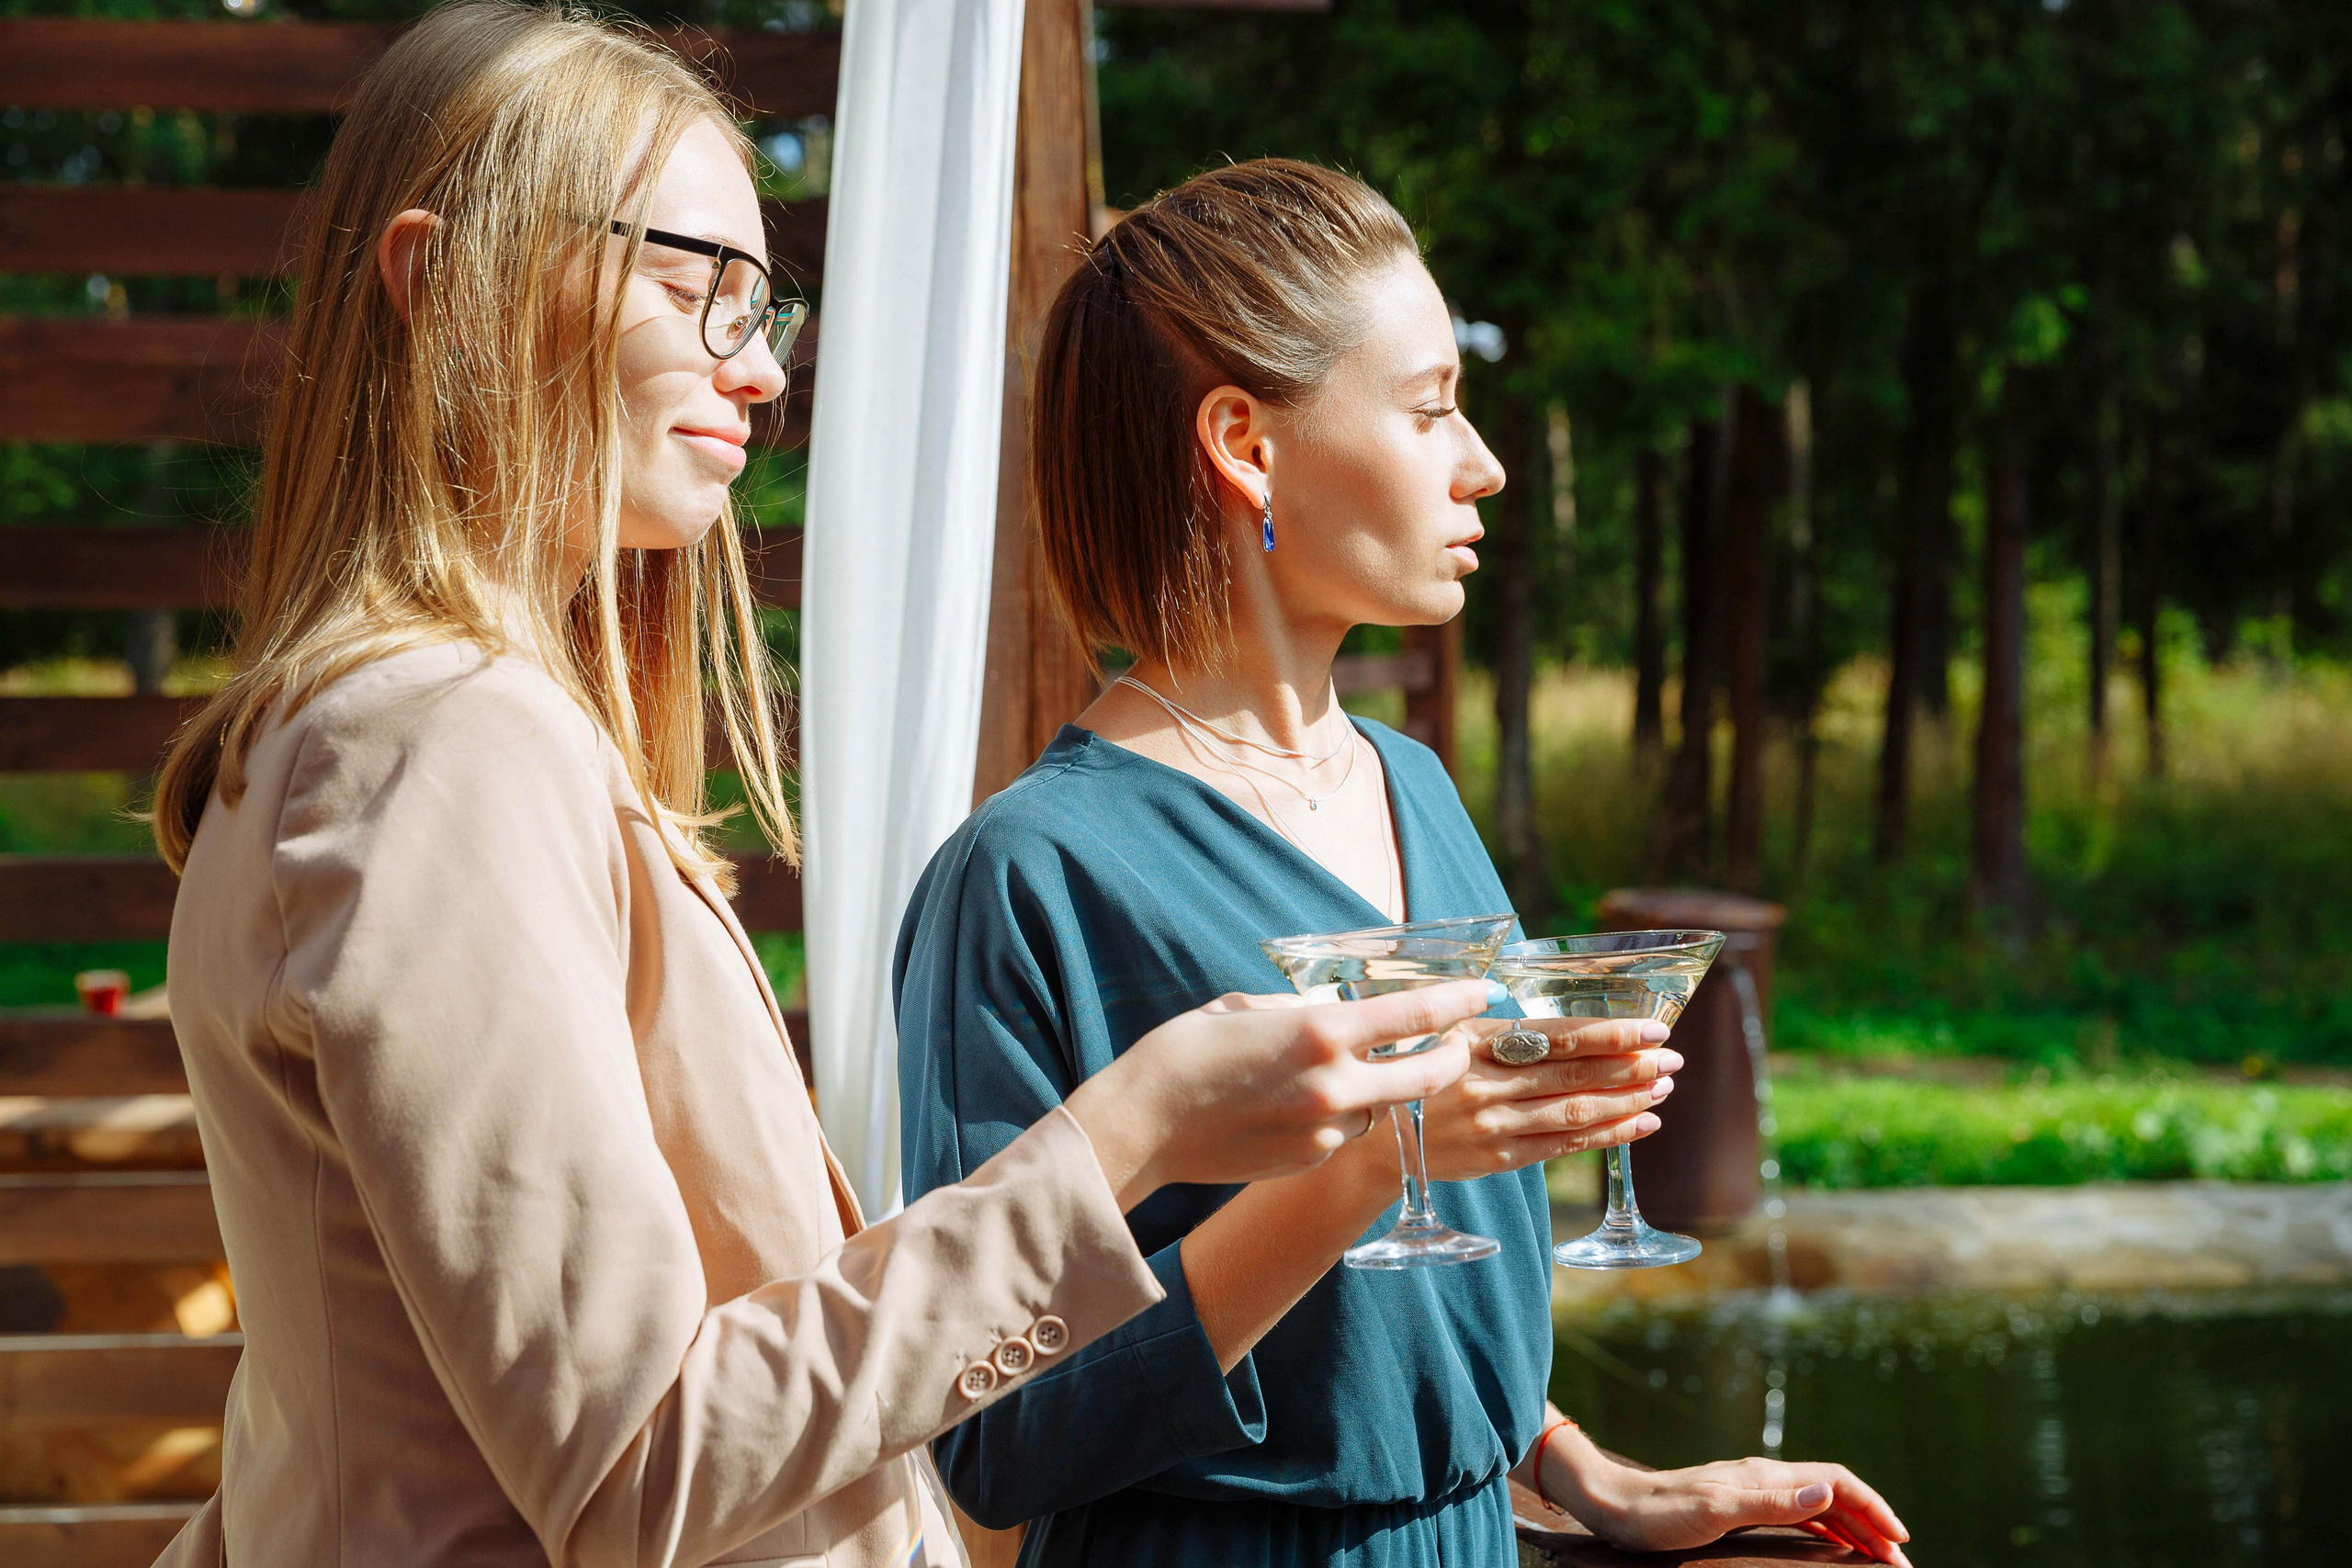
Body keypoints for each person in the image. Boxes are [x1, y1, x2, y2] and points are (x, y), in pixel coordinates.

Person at [145, 15, 1502, 1567]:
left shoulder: (411, 734)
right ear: (446, 279)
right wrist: (1131, 1128)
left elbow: (356, 1433)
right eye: (696, 286)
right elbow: (641, 1469)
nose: (766, 365)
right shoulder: (436, 746)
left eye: (762, 300)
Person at [894, 160, 1914, 1568]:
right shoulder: (1028, 877)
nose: (1482, 460)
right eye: (1430, 406)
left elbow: (1398, 1318)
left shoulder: (1411, 785)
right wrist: (1374, 1168)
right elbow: (994, 1439)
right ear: (1246, 444)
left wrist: (1584, 1473)